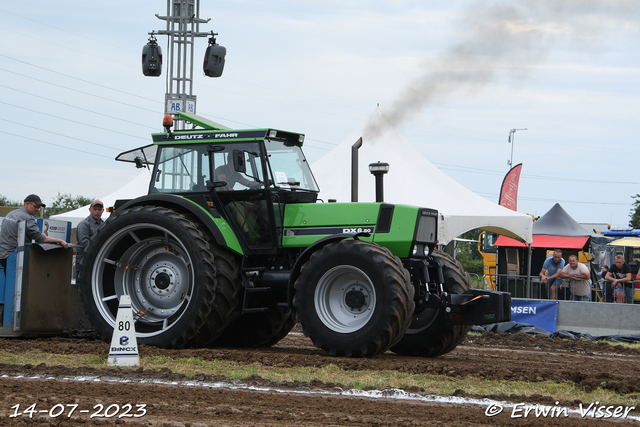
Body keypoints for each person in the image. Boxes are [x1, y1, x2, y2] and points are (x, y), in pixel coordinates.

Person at [0, 194, 69, 272]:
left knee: (10, 282)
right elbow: (41, 238)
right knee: (19, 283)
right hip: (14, 256)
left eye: (39, 208)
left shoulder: (11, 214)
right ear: (27, 204)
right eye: (35, 207)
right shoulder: (27, 218)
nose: (37, 210)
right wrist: (59, 240)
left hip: (3, 255)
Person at [75, 200, 105, 278]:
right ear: (90, 210)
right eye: (95, 209)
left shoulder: (103, 224)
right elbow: (85, 243)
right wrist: (101, 250)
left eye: (99, 209)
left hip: (96, 262)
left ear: (103, 211)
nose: (97, 212)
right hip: (83, 262)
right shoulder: (84, 224)